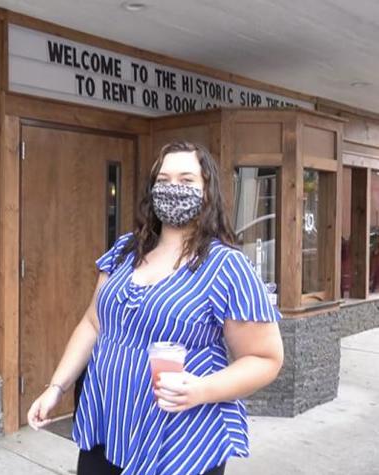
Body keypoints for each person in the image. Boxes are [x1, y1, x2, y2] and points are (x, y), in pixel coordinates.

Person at [26, 141, 284, 475]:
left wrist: (200, 390)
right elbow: (92, 324)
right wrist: (56, 387)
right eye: (164, 180)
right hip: (107, 427)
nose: (173, 189)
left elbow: (266, 359)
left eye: (187, 180)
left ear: (207, 192)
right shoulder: (124, 251)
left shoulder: (226, 267)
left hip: (180, 441)